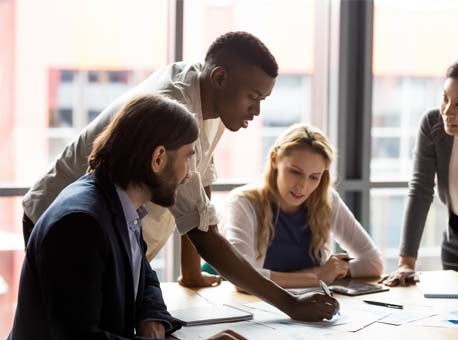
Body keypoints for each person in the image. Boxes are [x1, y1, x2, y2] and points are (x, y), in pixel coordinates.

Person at [22, 31, 278, 288]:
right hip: (67, 225)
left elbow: (200, 188)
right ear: (220, 77)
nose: (256, 110)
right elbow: (205, 237)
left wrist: (191, 273)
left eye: (262, 100)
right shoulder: (175, 110)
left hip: (115, 236)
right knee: (83, 325)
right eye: (253, 97)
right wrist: (291, 305)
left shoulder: (214, 94)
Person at [9, 94, 244, 339]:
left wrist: (151, 317)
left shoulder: (118, 204)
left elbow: (145, 276)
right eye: (188, 156)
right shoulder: (81, 224)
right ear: (158, 159)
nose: (188, 174)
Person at [380, 56, 458, 298]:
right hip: (457, 248)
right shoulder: (432, 126)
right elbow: (420, 190)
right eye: (445, 98)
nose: (447, 111)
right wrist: (406, 262)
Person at [221, 124, 384, 288]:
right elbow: (243, 277)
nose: (302, 187)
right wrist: (317, 276)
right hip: (256, 306)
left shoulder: (326, 200)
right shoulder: (243, 204)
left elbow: (373, 262)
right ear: (274, 159)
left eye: (314, 177)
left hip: (311, 307)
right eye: (295, 172)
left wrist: (336, 270)